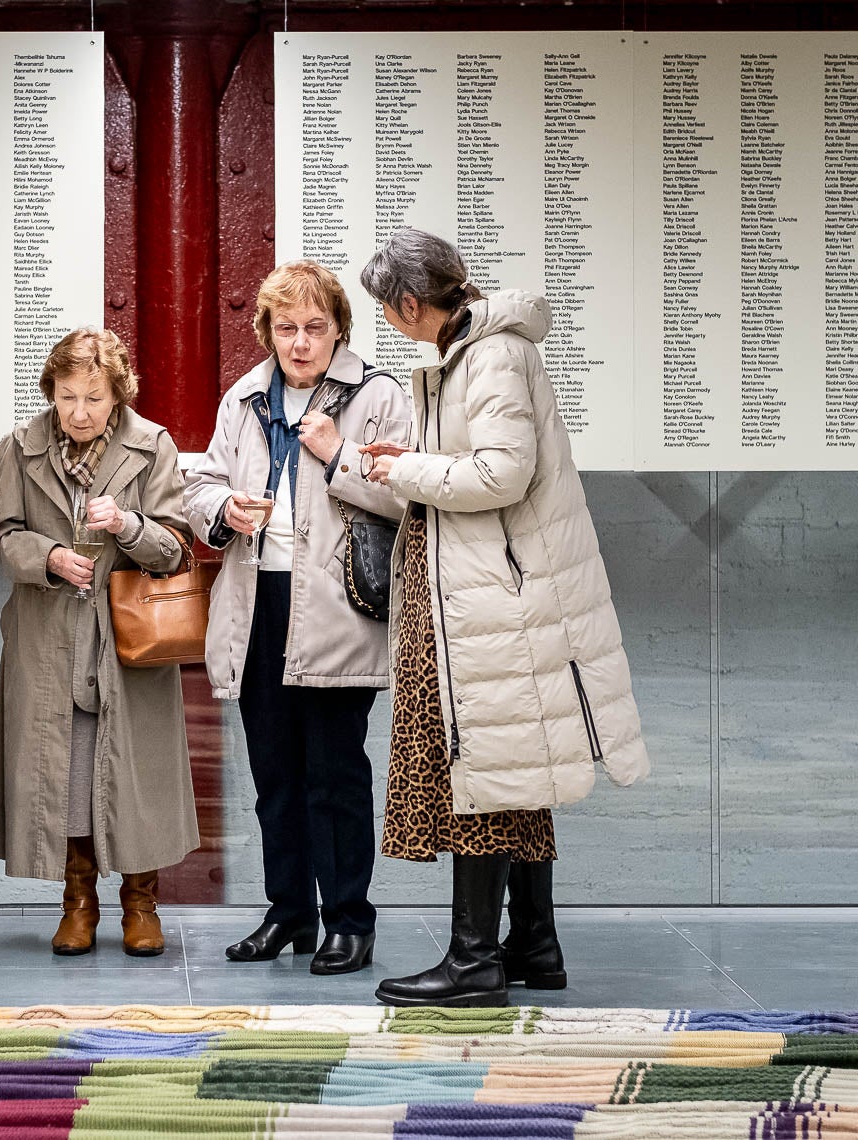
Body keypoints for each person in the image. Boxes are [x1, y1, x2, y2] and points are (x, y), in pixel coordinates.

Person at [356, 229, 650, 1007]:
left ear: (410, 303)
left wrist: (404, 469)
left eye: (387, 308)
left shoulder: (488, 356)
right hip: (484, 593)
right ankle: (534, 944)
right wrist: (411, 455)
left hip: (490, 599)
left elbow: (500, 474)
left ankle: (472, 961)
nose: (389, 321)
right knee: (510, 768)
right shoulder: (478, 352)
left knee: (480, 772)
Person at [184, 260, 412, 975]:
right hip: (258, 605)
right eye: (287, 327)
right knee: (275, 775)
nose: (301, 341)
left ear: (340, 327)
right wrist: (223, 510)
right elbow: (200, 482)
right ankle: (289, 913)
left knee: (335, 777)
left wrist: (338, 454)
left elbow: (409, 497)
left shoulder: (377, 396)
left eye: (315, 327)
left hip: (339, 607)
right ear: (268, 331)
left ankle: (349, 920)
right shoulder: (245, 398)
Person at [0, 326, 198, 957]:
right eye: (67, 396)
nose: (78, 412)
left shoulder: (151, 445)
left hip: (127, 642)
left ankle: (141, 902)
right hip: (46, 640)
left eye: (94, 399)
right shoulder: (16, 450)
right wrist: (47, 555)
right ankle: (77, 901)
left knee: (134, 772)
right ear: (52, 390)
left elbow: (176, 547)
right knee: (66, 772)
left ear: (116, 396)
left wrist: (130, 526)